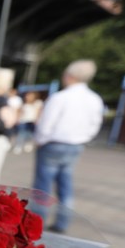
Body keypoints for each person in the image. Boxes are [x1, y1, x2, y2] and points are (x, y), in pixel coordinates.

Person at [31, 60, 104, 233]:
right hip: (76, 145)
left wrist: (40, 140)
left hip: (52, 144)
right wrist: (84, 138)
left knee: (42, 187)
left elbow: (46, 124)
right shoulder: (95, 99)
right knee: (66, 185)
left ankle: (35, 224)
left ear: (69, 76)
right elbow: (95, 125)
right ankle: (62, 222)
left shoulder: (60, 97)